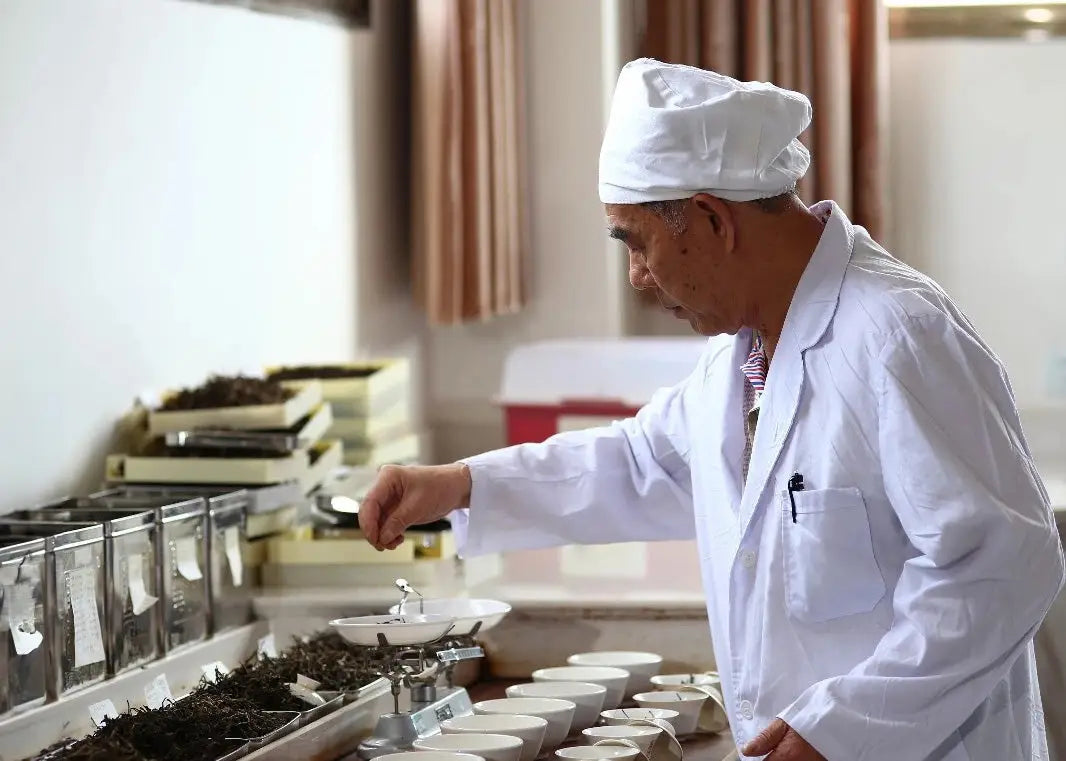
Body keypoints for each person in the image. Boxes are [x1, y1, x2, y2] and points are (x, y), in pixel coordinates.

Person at [360, 59, 1064, 760]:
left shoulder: (899, 334)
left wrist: (844, 727)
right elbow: (646, 463)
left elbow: (1003, 565)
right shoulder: (742, 355)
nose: (638, 277)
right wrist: (460, 484)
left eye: (638, 243)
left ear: (710, 218)